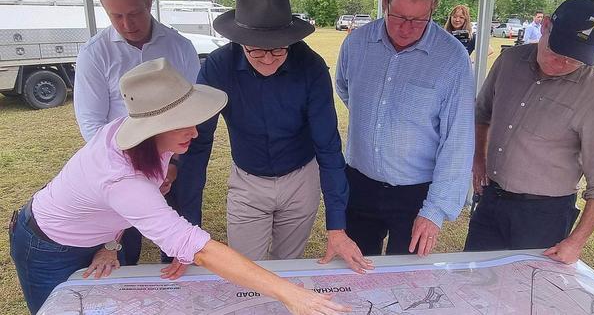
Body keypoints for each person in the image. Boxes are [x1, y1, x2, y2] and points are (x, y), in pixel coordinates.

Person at [9, 58, 350, 315]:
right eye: (182, 124)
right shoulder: (122, 179)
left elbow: (117, 208)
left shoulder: (142, 142)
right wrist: (292, 295)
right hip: (45, 246)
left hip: (89, 236)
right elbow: (198, 248)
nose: (196, 131)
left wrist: (110, 244)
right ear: (153, 128)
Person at [172, 0, 372, 273]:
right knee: (246, 271)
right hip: (248, 182)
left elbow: (327, 146)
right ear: (240, 41)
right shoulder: (218, 67)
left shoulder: (311, 67)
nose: (268, 59)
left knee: (286, 269)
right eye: (256, 50)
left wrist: (337, 227)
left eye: (278, 49)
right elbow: (198, 142)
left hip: (301, 179)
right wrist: (187, 230)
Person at [465, 0, 594, 264]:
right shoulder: (509, 61)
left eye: (574, 59)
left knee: (524, 296)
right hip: (491, 199)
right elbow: (482, 113)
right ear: (546, 26)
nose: (561, 63)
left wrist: (576, 241)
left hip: (544, 215)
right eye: (556, 51)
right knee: (472, 278)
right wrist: (478, 159)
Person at [335, 0, 475, 257]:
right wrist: (380, 121)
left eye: (419, 19)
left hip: (416, 194)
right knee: (354, 272)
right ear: (385, 1)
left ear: (434, 7)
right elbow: (346, 90)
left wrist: (434, 210)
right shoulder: (357, 44)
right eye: (398, 16)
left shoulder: (452, 58)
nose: (406, 28)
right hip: (359, 184)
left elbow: (458, 140)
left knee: (405, 284)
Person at [73, 0, 201, 266]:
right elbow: (92, 123)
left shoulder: (180, 47)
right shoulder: (95, 53)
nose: (127, 24)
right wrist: (137, 169)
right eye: (116, 16)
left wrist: (171, 165)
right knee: (121, 247)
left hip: (176, 163)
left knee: (183, 244)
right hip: (121, 166)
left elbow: (195, 111)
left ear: (149, 2)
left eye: (134, 13)